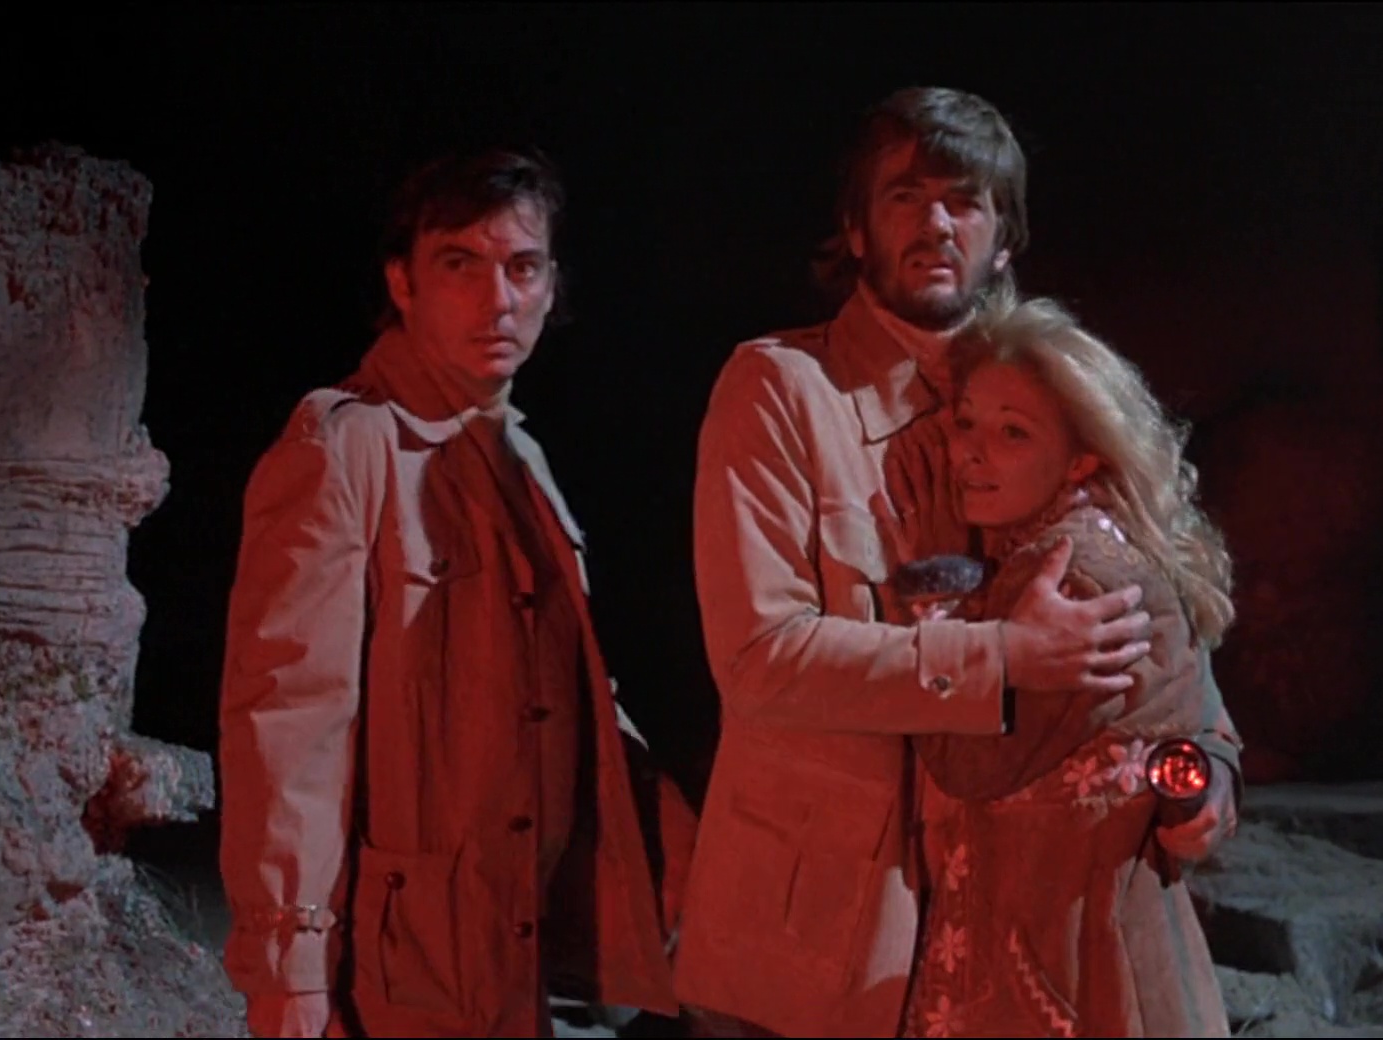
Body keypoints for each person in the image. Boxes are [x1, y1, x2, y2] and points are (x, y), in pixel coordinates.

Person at [676, 87, 1157, 1038]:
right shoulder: (779, 390)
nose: (937, 224)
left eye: (965, 201)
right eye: (905, 197)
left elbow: (1157, 600)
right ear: (856, 231)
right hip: (815, 951)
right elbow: (759, 660)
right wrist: (1005, 657)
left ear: (1004, 241)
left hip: (1000, 940)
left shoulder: (1053, 399)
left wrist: (1207, 771)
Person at [216, 149, 689, 1039]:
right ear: (403, 281)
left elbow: (572, 696)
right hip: (410, 964)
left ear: (552, 286)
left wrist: (684, 858)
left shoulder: (518, 455)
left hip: (529, 948)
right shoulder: (346, 447)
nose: (497, 299)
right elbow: (288, 723)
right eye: (461, 265)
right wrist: (289, 967)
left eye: (523, 267)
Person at [901, 292, 1243, 1038]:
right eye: (966, 423)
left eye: (1013, 433)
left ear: (1083, 454)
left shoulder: (1068, 573)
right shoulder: (1113, 543)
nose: (969, 453)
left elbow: (967, 765)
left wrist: (936, 602)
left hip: (1058, 948)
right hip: (1096, 930)